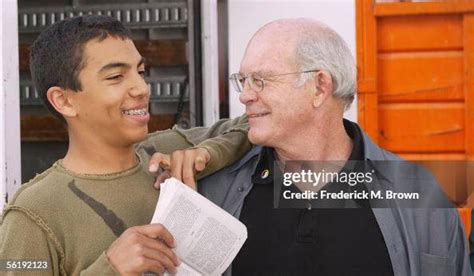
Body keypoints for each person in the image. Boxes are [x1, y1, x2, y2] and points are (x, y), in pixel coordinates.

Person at [184, 18, 470, 275]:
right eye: (243, 81)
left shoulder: (423, 199)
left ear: (320, 87)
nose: (245, 96)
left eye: (260, 81)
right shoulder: (213, 194)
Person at [0, 15, 250, 275]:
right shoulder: (32, 213)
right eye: (116, 76)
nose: (142, 88)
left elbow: (255, 124)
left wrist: (208, 154)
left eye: (141, 72)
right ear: (63, 100)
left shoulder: (165, 150)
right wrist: (110, 268)